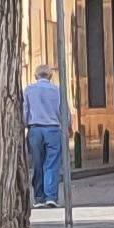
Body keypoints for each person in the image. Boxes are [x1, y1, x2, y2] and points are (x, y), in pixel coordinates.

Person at [21, 65, 70, 208]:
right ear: (50, 76)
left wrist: (25, 125)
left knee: (37, 163)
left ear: (36, 76)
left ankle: (39, 197)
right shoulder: (57, 90)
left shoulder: (29, 90)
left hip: (35, 129)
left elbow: (25, 110)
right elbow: (64, 111)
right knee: (52, 163)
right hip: (53, 129)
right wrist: (67, 127)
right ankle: (51, 197)